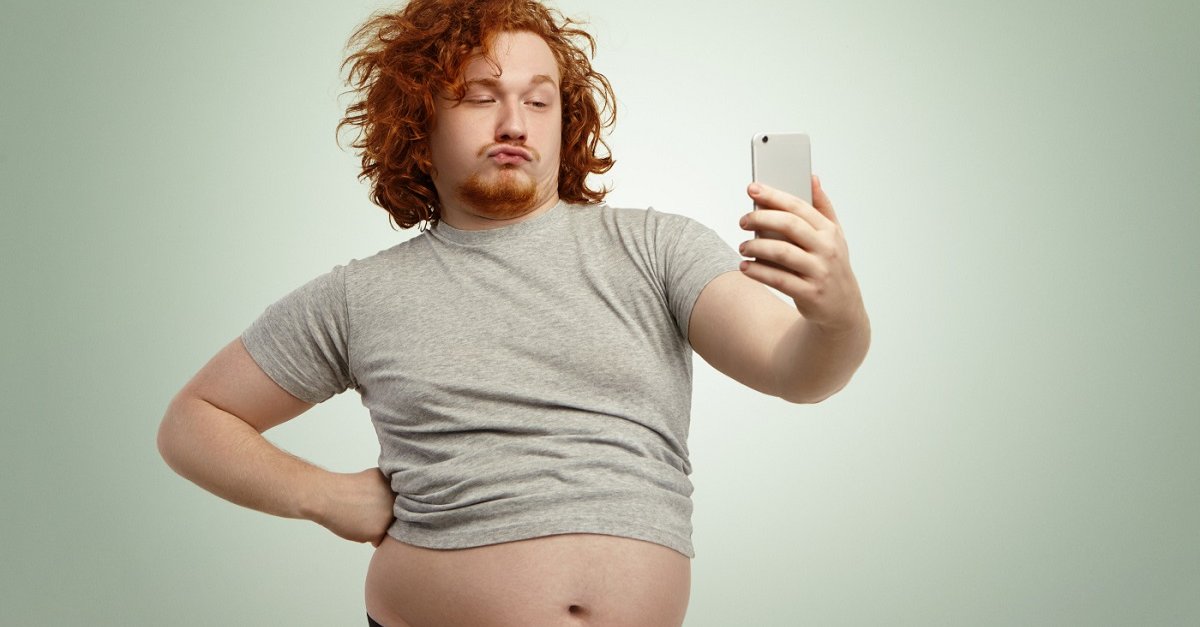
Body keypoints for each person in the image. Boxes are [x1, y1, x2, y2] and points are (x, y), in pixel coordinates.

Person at [156, 0, 870, 625]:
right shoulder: (357, 297)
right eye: (477, 95)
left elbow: (795, 369)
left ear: (568, 118)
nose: (513, 122)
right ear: (418, 121)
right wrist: (326, 496)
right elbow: (193, 422)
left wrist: (837, 315)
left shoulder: (658, 249)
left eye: (539, 99)